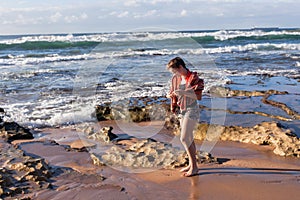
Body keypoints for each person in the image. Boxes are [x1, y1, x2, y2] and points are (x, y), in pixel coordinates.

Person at [166, 57, 204, 177]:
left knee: (184, 138)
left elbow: (198, 97)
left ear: (180, 67)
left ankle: (194, 168)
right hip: (181, 110)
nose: (174, 74)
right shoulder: (176, 79)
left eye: (174, 71)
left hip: (192, 109)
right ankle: (192, 165)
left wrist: (183, 93)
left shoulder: (193, 78)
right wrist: (171, 95)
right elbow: (174, 93)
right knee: (189, 138)